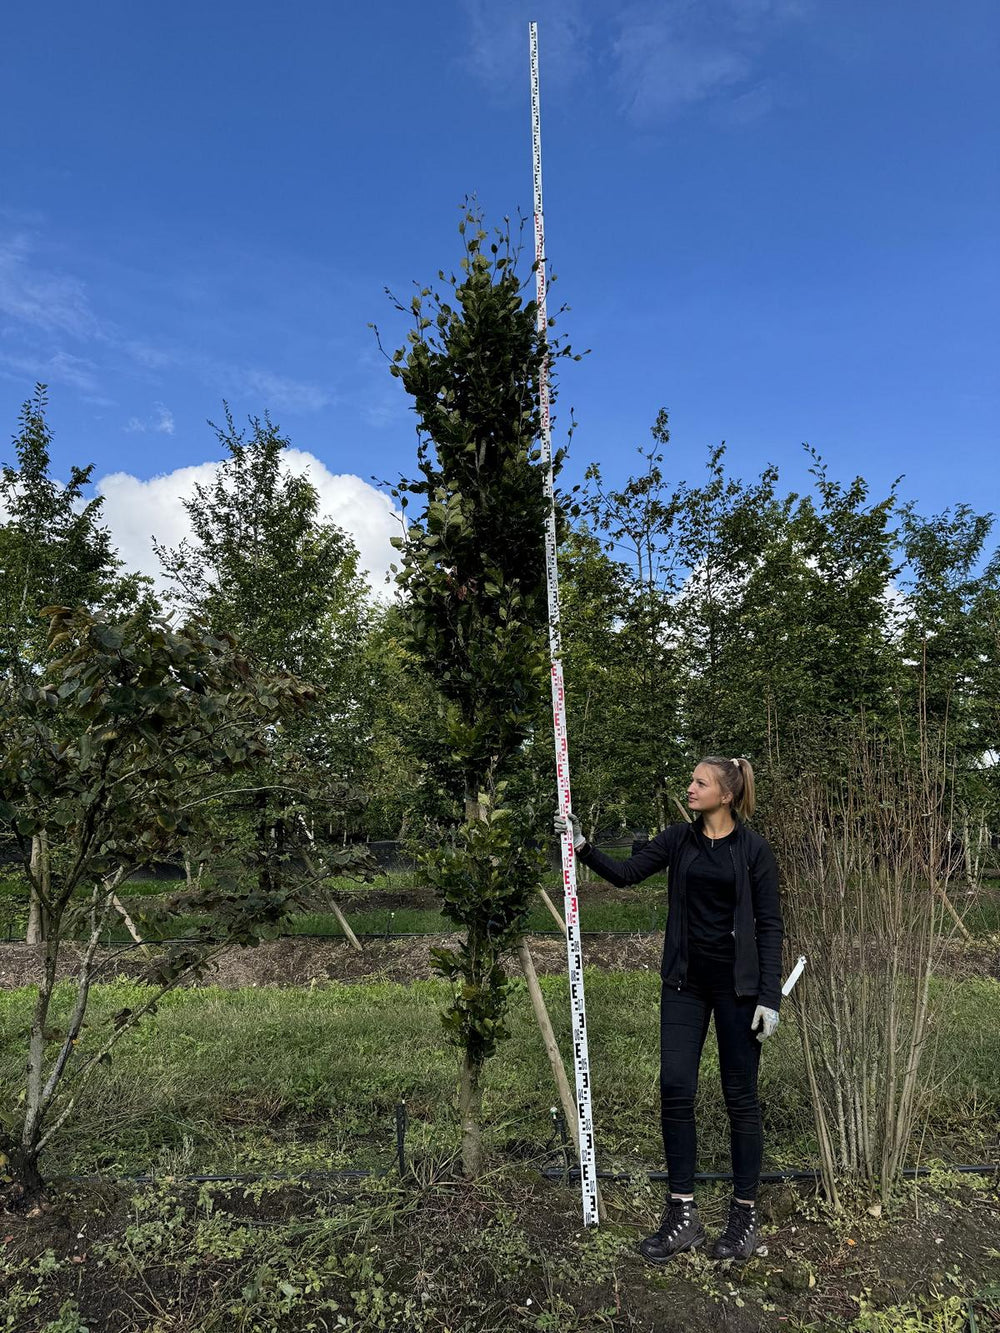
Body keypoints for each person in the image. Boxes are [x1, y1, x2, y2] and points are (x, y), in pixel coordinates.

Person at [554, 756, 783, 1265]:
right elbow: (628, 874)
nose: (690, 788)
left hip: (739, 992)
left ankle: (743, 1218)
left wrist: (770, 997)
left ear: (726, 794)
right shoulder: (679, 839)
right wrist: (583, 846)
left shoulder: (753, 851)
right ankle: (682, 1215)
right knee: (676, 1088)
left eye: (700, 783)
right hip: (685, 985)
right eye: (692, 781)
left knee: (739, 1098)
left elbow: (769, 926)